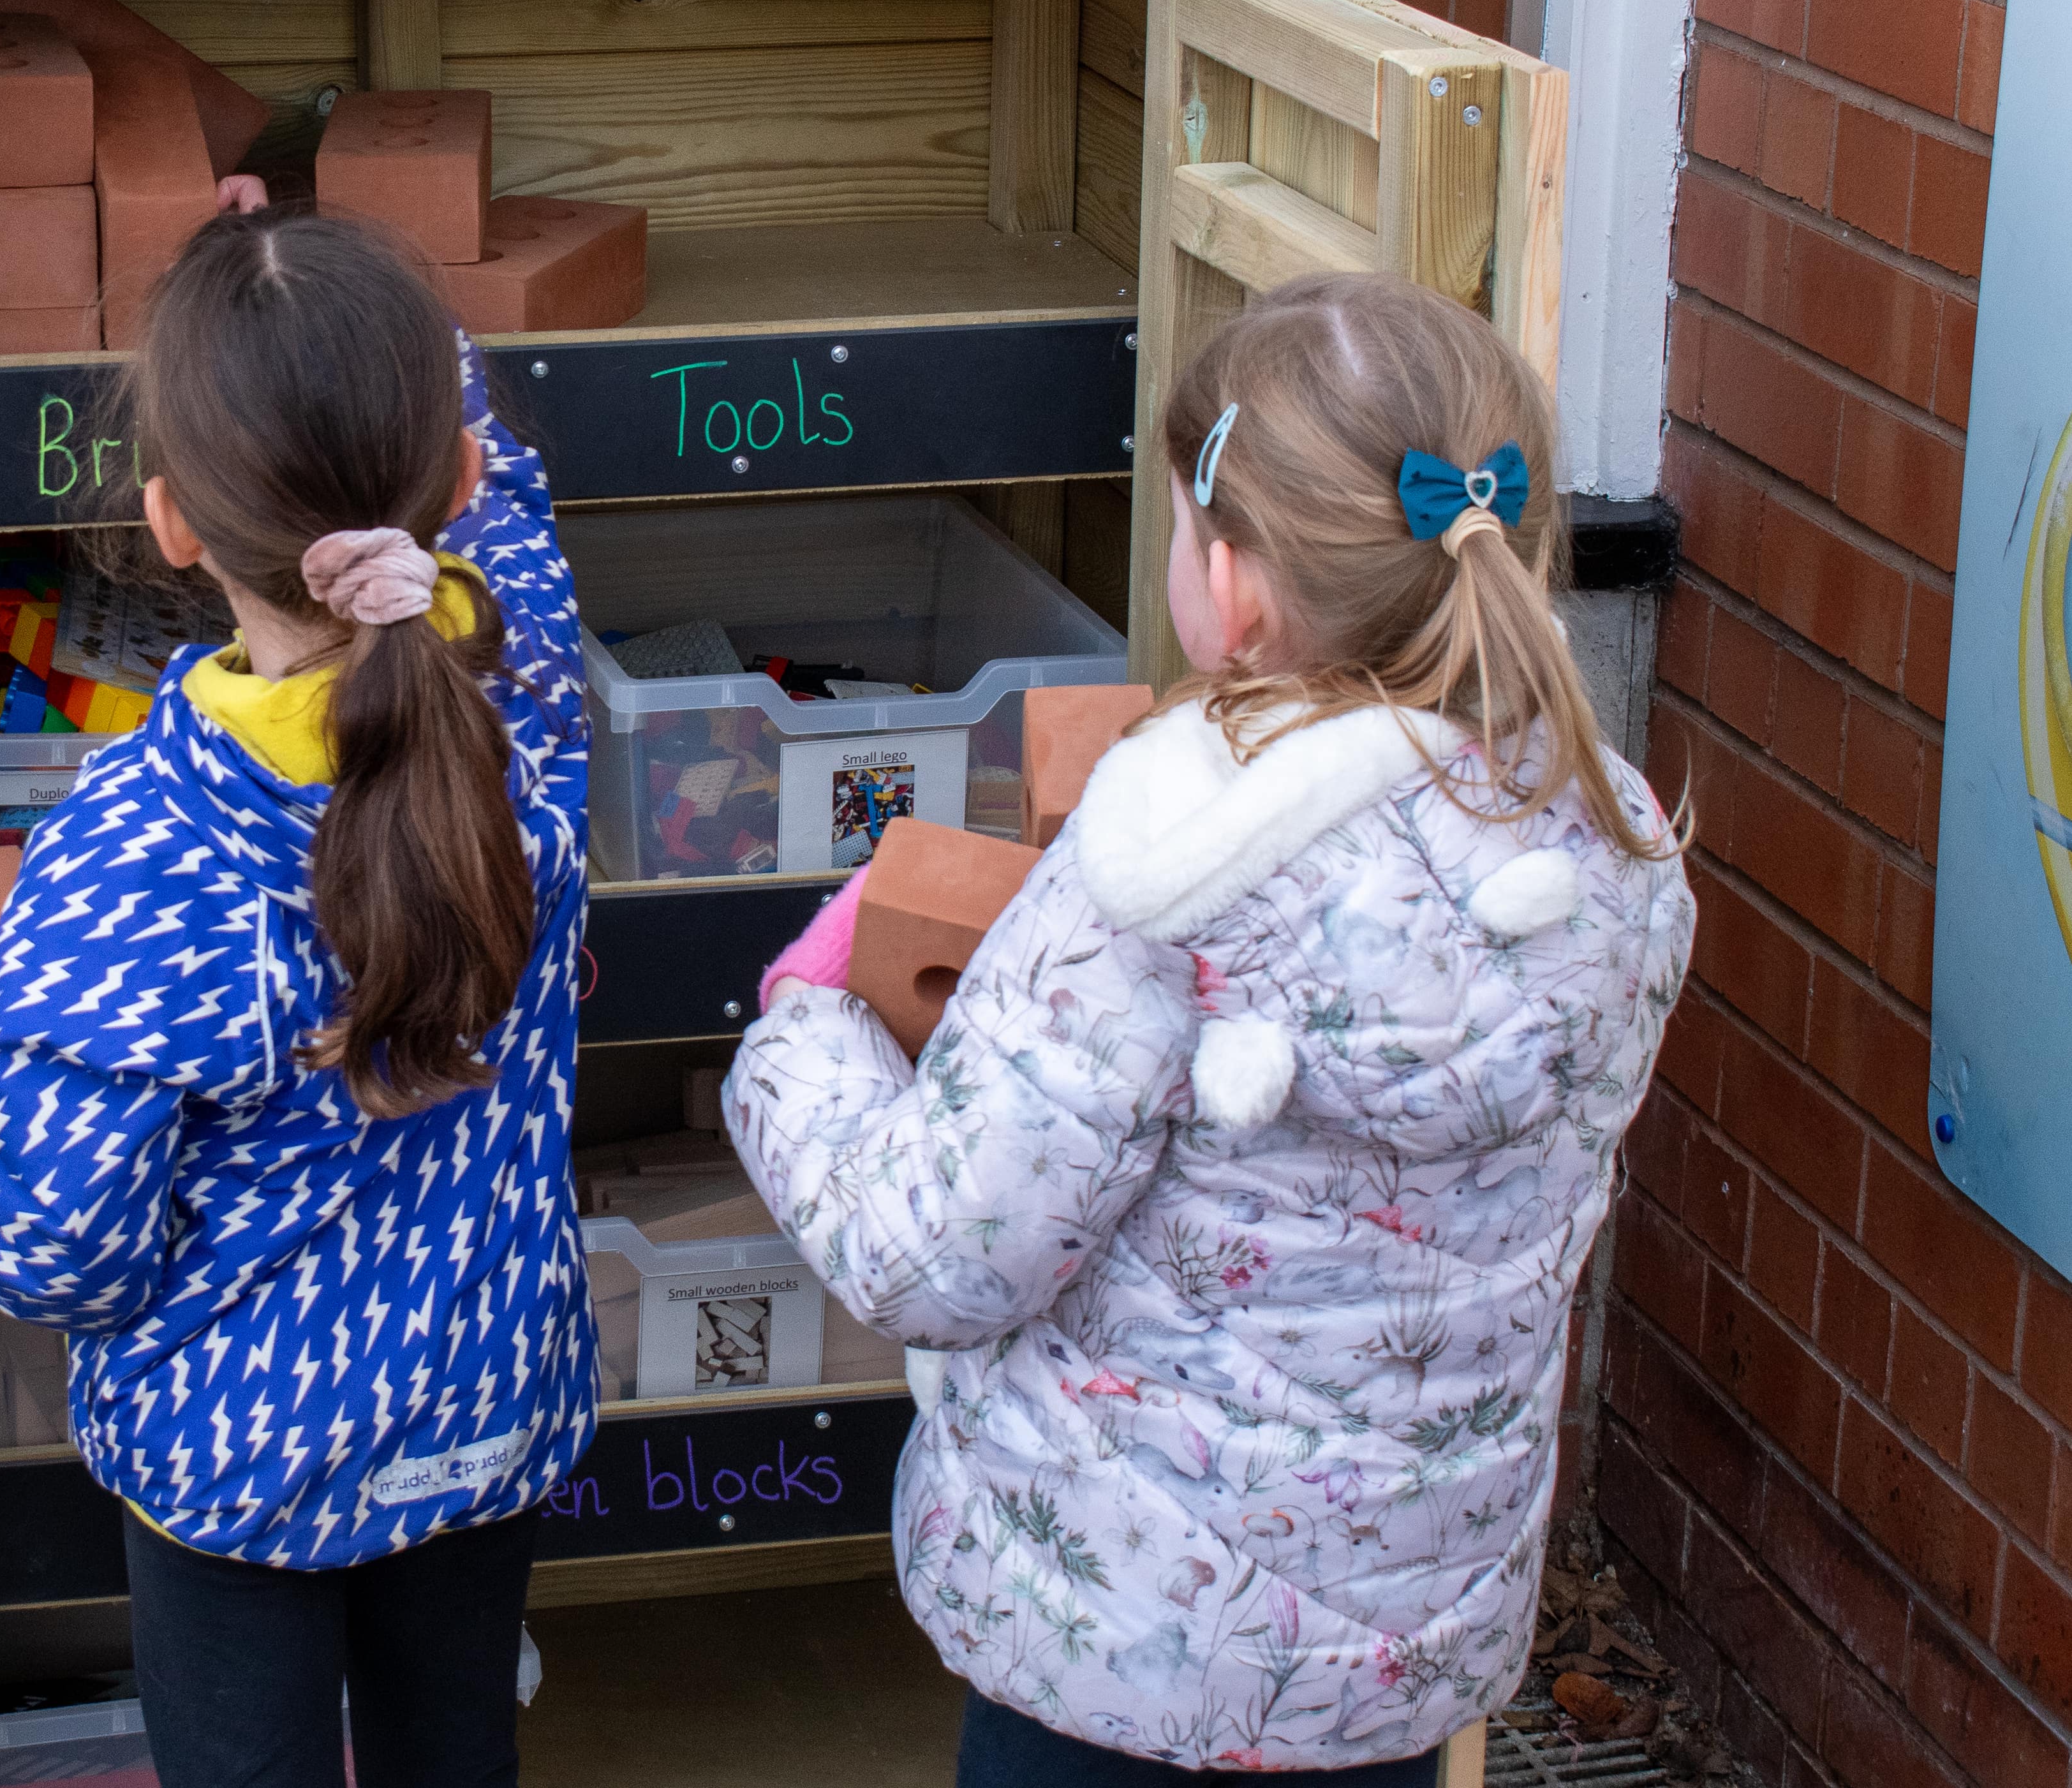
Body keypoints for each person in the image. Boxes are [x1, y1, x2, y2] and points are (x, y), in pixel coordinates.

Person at [724, 272, 1694, 1782]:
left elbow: (935, 1255)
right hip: (1390, 1660)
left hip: (1113, 1651)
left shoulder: (1169, 877)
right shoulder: (1607, 842)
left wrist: (802, 1025)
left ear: (1230, 587)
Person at [0, 208, 595, 1788]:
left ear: (167, 519)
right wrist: (345, 321)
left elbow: (53, 1244)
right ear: (460, 486)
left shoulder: (128, 857)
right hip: (481, 1412)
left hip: (239, 1469)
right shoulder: (527, 735)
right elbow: (510, 530)